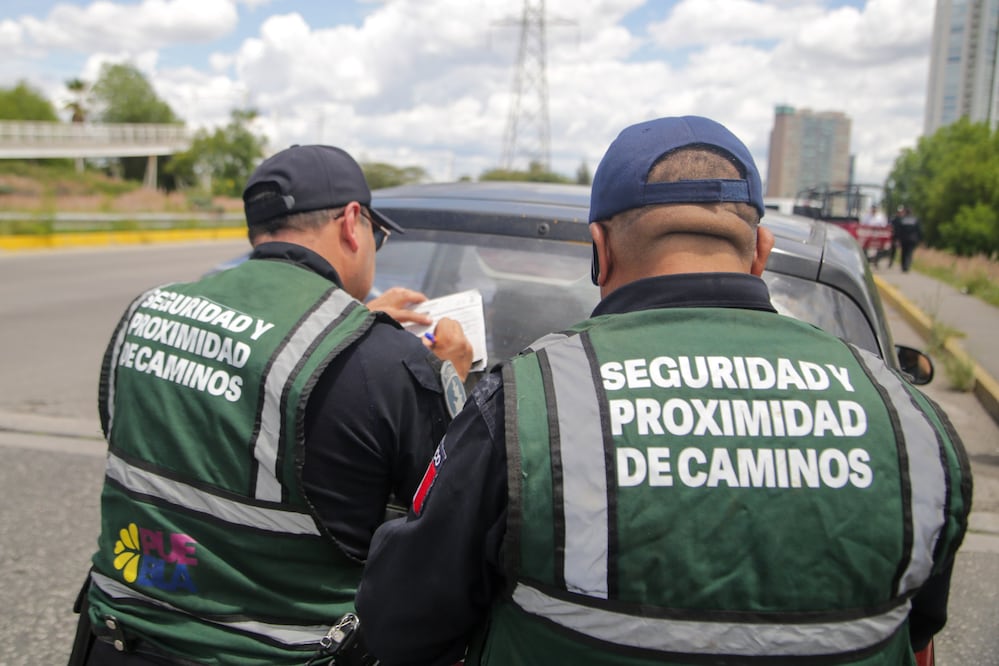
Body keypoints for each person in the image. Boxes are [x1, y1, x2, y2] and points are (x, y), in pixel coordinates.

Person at [355, 116, 972, 665]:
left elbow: (400, 625)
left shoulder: (525, 405)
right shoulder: (911, 422)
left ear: (599, 251)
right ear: (760, 251)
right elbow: (916, 634)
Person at [71, 144, 473, 665]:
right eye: (377, 233)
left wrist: (354, 324)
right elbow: (450, 522)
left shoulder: (147, 311)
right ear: (352, 223)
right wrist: (447, 380)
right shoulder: (388, 364)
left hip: (116, 639)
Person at [894, 206, 923, 273]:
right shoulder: (915, 220)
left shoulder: (902, 220)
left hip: (903, 239)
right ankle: (907, 266)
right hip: (912, 239)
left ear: (906, 212)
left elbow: (898, 230)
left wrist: (897, 239)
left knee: (903, 252)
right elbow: (919, 230)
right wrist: (921, 239)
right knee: (909, 253)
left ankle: (904, 266)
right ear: (911, 212)